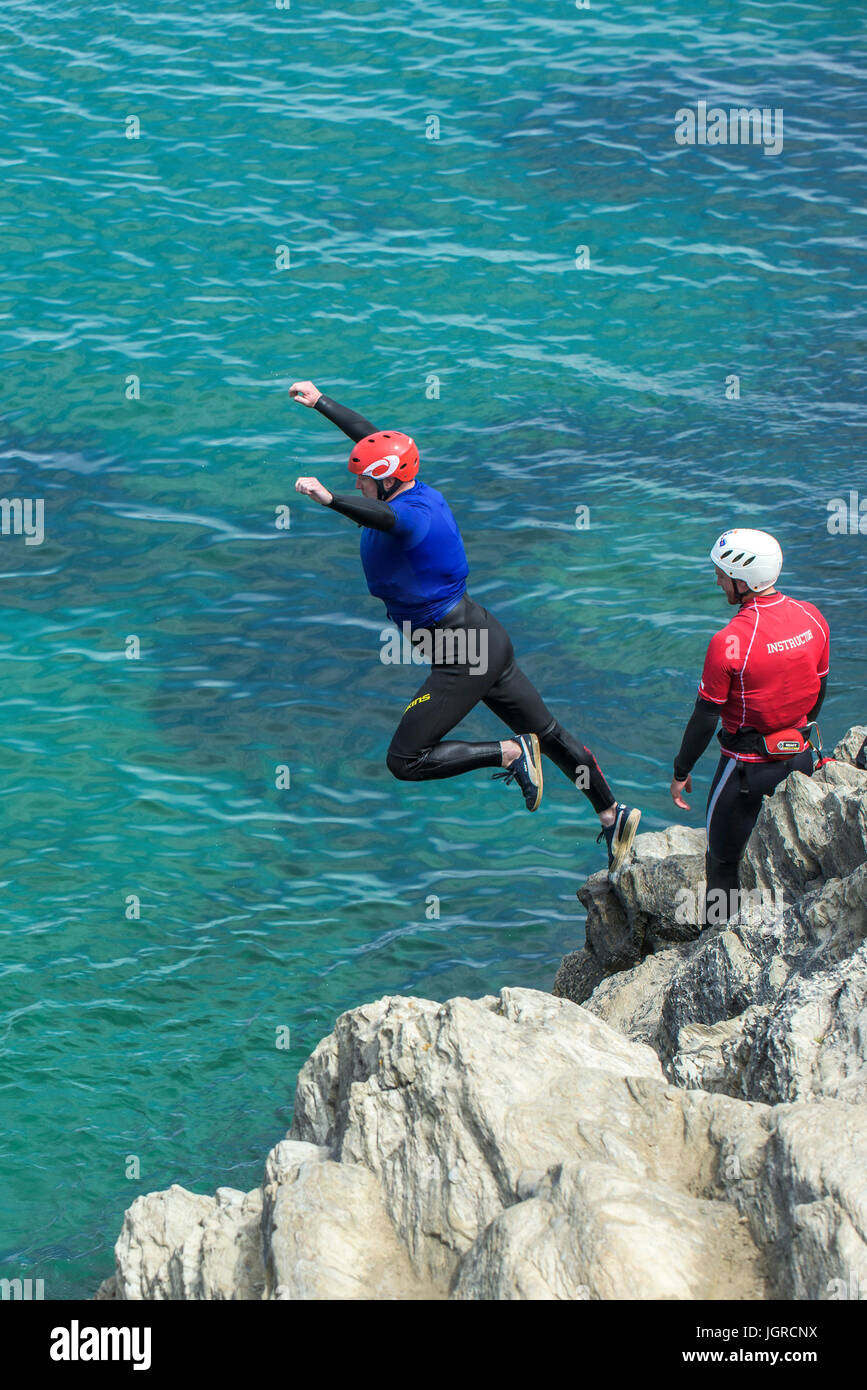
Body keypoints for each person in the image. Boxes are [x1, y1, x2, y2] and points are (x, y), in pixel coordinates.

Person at [290, 380, 641, 872]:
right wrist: (321, 401)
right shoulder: (410, 487)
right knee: (552, 734)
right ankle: (612, 814)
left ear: (388, 482)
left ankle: (509, 754)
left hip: (463, 650)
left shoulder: (408, 518)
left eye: (362, 480)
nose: (356, 485)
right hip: (482, 637)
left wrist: (329, 501)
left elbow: (380, 516)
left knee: (405, 759)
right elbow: (372, 438)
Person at [670, 528, 829, 921]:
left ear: (744, 582)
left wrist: (681, 770)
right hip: (801, 758)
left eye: (723, 574)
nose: (718, 580)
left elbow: (705, 717)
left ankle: (717, 940)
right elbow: (819, 692)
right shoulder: (813, 617)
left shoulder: (729, 641)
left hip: (745, 771)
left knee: (722, 860)